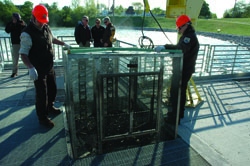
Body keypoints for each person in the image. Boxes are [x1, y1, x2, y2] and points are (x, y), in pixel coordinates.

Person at [19, 5, 70, 128]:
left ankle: (50, 106)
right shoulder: (27, 33)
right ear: (33, 18)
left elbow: (52, 39)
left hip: (49, 66)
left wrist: (64, 44)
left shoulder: (46, 27)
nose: (42, 24)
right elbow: (23, 54)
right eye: (40, 21)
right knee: (42, 94)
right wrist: (30, 67)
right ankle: (42, 118)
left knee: (52, 88)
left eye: (44, 21)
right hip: (38, 69)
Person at [155, 15, 200, 124]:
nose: (179, 30)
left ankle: (176, 117)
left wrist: (165, 47)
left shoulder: (189, 37)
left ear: (186, 25)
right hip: (182, 69)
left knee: (178, 92)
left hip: (184, 69)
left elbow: (181, 49)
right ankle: (176, 114)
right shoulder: (188, 35)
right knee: (177, 91)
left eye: (180, 28)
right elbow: (181, 49)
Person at [5, 13, 26, 78]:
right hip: (15, 43)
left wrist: (23, 25)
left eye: (15, 17)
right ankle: (14, 72)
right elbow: (7, 30)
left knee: (26, 57)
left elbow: (27, 30)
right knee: (15, 58)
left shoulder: (22, 23)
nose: (14, 19)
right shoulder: (10, 23)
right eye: (13, 17)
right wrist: (12, 24)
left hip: (23, 42)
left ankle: (30, 69)